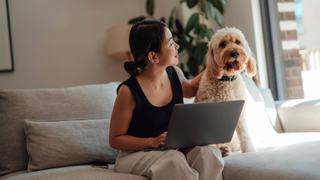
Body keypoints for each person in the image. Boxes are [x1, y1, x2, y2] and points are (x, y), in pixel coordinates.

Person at [109, 19, 224, 180]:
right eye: (171, 44)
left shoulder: (174, 73)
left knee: (208, 153)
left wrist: (214, 65)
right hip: (134, 154)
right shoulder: (128, 91)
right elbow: (115, 139)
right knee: (173, 159)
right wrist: (152, 142)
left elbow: (190, 89)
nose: (177, 46)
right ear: (153, 56)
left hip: (171, 148)